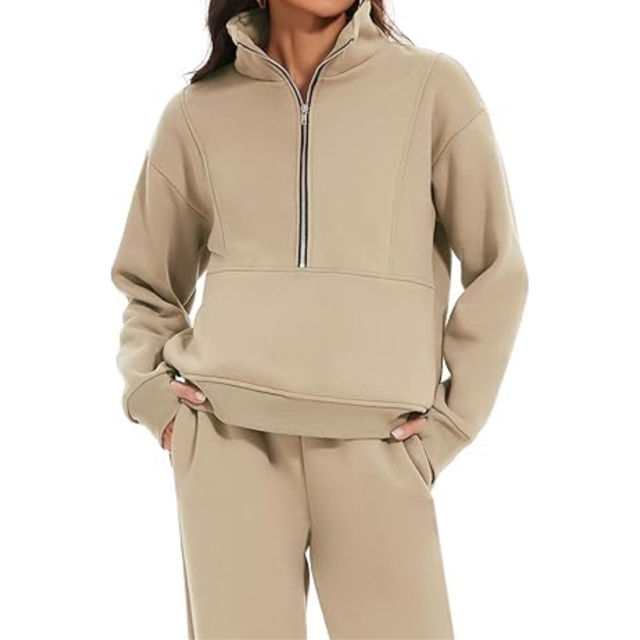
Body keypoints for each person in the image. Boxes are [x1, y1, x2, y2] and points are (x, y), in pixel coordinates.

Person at [110, 0, 528, 637]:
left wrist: (451, 423)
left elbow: (499, 269)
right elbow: (146, 282)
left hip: (380, 445)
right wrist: (155, 399)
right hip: (227, 443)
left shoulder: (432, 89)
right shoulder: (196, 113)